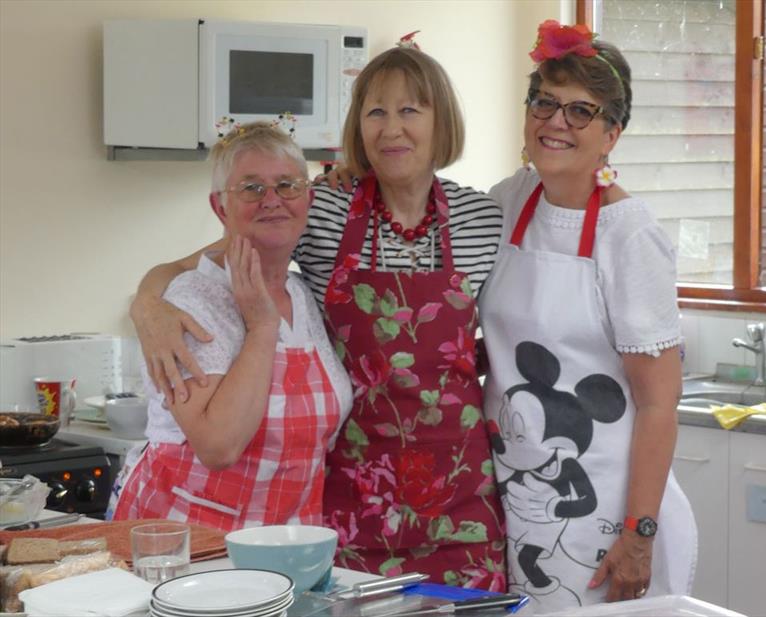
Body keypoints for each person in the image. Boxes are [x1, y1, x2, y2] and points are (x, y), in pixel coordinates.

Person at [128, 43, 506, 589]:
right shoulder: (324, 207)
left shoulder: (483, 218)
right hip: (351, 495)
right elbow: (208, 257)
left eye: (410, 110)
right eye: (376, 112)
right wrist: (147, 303)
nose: (391, 128)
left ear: (441, 120)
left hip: (459, 491)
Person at [478, 20, 697, 611]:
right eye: (545, 102)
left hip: (601, 511)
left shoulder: (630, 235)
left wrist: (638, 536)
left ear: (611, 134)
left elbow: (658, 402)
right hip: (509, 491)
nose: (556, 122)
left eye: (581, 111)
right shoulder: (508, 200)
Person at [113, 122, 352, 531]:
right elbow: (218, 445)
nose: (272, 200)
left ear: (308, 199)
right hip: (186, 552)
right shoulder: (194, 299)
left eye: (287, 186)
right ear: (220, 207)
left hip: (286, 551)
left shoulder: (302, 295)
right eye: (251, 188)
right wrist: (261, 326)